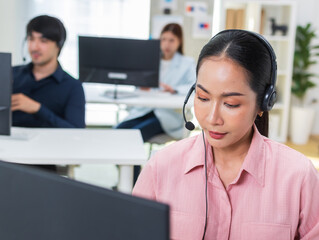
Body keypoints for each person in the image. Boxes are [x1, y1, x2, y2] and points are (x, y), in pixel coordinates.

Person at [133, 29, 319, 239]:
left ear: (263, 103)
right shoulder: (161, 167)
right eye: (203, 98)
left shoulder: (298, 176)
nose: (212, 118)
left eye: (230, 104)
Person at [116, 23, 196, 141]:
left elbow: (195, 87)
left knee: (134, 135)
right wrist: (142, 87)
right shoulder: (150, 60)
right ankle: (120, 159)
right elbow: (138, 84)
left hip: (168, 114)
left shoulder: (187, 63)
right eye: (163, 39)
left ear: (179, 42)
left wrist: (174, 90)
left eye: (171, 40)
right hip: (145, 109)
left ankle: (129, 159)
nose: (166, 44)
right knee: (118, 131)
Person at [12, 15, 85, 128]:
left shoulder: (72, 86)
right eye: (31, 39)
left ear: (58, 46)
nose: (34, 47)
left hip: (50, 144)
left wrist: (38, 109)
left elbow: (76, 131)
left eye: (43, 41)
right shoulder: (11, 75)